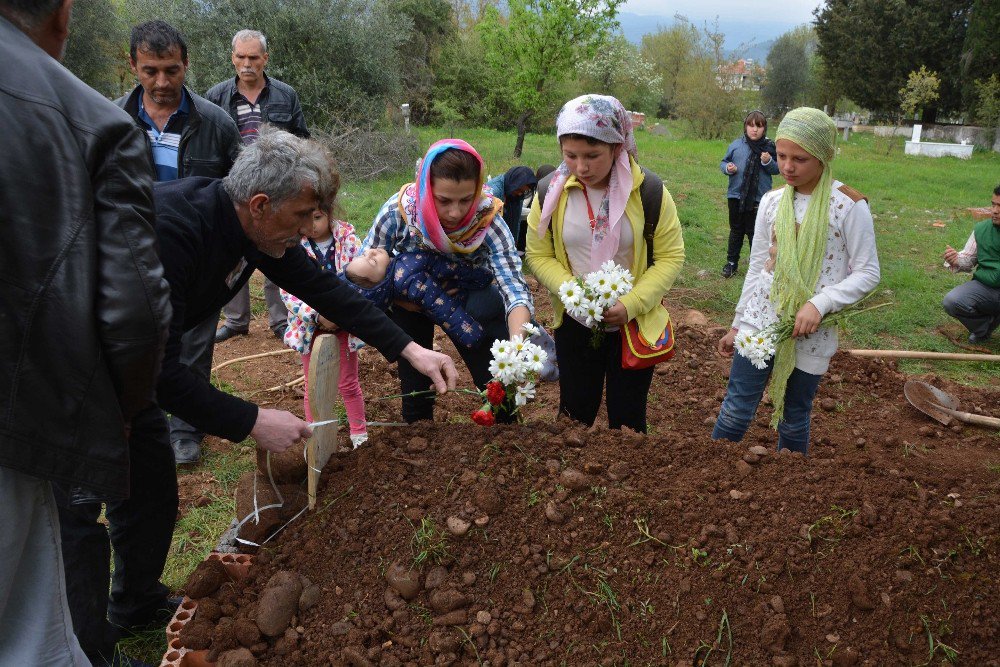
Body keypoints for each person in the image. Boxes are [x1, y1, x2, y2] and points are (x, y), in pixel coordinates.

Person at [55, 128, 457, 667]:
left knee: (150, 491)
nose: (307, 229)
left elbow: (326, 288)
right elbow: (161, 368)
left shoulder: (255, 229)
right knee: (77, 513)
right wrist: (249, 420)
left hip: (132, 370)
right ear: (262, 204)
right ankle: (84, 649)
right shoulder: (172, 231)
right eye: (302, 215)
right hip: (72, 370)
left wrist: (409, 350)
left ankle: (135, 602)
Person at [0, 2, 171, 666]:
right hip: (19, 418)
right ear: (63, 15)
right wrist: (120, 411)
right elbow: (133, 312)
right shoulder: (90, 120)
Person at [713, 107, 880, 454]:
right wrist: (737, 324)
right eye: (782, 156)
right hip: (761, 319)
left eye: (800, 159)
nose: (787, 167)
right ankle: (711, 475)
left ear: (823, 155)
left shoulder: (848, 206)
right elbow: (759, 265)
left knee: (794, 415)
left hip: (810, 330)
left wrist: (820, 303)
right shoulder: (772, 202)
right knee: (736, 408)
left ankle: (789, 488)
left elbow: (868, 272)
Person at [116, 19, 243, 464]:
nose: (162, 82)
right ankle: (139, 423)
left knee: (193, 339)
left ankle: (186, 429)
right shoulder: (110, 121)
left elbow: (240, 189)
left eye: (172, 70)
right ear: (133, 65)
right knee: (134, 338)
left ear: (186, 65)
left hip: (197, 256)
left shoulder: (216, 123)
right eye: (151, 71)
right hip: (130, 252)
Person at [526, 94, 685, 433]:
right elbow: (538, 254)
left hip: (633, 324)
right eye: (571, 155)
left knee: (628, 420)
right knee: (573, 415)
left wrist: (631, 304)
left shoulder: (649, 192)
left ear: (617, 147)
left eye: (592, 156)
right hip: (574, 321)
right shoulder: (550, 192)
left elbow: (671, 256)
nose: (581, 167)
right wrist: (572, 292)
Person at [361, 139, 534, 423]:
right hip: (409, 298)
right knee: (414, 384)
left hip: (465, 301)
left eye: (466, 199)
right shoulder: (400, 212)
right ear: (426, 190)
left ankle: (503, 433)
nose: (455, 213)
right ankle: (419, 430)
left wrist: (515, 348)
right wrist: (400, 298)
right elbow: (362, 270)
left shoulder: (487, 220)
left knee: (492, 381)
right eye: (443, 200)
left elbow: (513, 286)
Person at [207, 29, 310, 345]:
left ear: (265, 58)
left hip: (277, 186)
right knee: (229, 250)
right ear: (232, 58)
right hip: (233, 184)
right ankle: (236, 321)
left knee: (276, 248)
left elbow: (302, 139)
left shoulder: (285, 95)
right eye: (241, 57)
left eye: (253, 57)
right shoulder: (216, 96)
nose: (247, 64)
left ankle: (280, 320)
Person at [280, 207, 371, 448]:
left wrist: (342, 312)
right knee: (313, 384)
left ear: (330, 214)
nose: (312, 225)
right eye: (306, 217)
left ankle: (359, 434)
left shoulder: (349, 240)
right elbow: (288, 292)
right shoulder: (293, 246)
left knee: (348, 382)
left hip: (344, 326)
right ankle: (315, 436)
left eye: (318, 218)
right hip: (311, 328)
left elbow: (362, 278)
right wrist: (317, 315)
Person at [342, 248, 496, 349]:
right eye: (373, 261)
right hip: (466, 275)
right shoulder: (408, 281)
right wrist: (471, 334)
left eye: (363, 254)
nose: (370, 251)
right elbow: (442, 307)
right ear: (383, 283)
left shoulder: (395, 268)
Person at [719, 110, 779, 278]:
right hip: (736, 196)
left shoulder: (769, 147)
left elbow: (777, 169)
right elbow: (724, 162)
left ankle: (758, 265)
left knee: (756, 233)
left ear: (764, 128)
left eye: (759, 126)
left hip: (759, 199)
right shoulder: (737, 145)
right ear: (745, 127)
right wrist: (728, 168)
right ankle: (731, 263)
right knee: (736, 230)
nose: (754, 130)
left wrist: (767, 162)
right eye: (751, 125)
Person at [941, 185, 1000, 344]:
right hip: (986, 287)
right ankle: (984, 327)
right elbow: (968, 259)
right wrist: (955, 259)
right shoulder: (981, 230)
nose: (995, 210)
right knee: (952, 301)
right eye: (993, 204)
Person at [486, 166, 538, 252]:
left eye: (523, 192)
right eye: (519, 190)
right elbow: (487, 225)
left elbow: (516, 221)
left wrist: (513, 247)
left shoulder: (516, 194)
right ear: (514, 184)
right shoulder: (494, 193)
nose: (519, 194)